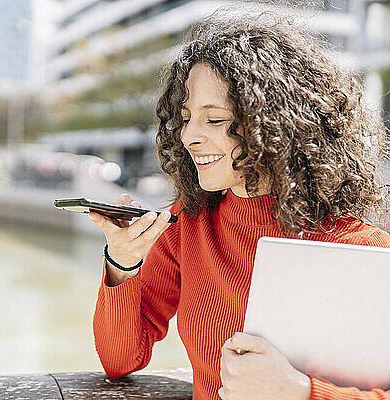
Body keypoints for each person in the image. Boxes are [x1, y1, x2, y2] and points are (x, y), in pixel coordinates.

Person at [87, 8, 390, 400]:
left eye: (214, 121)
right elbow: (120, 359)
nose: (189, 136)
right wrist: (122, 264)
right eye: (185, 118)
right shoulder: (187, 223)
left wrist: (302, 392)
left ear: (277, 126)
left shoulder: (363, 249)